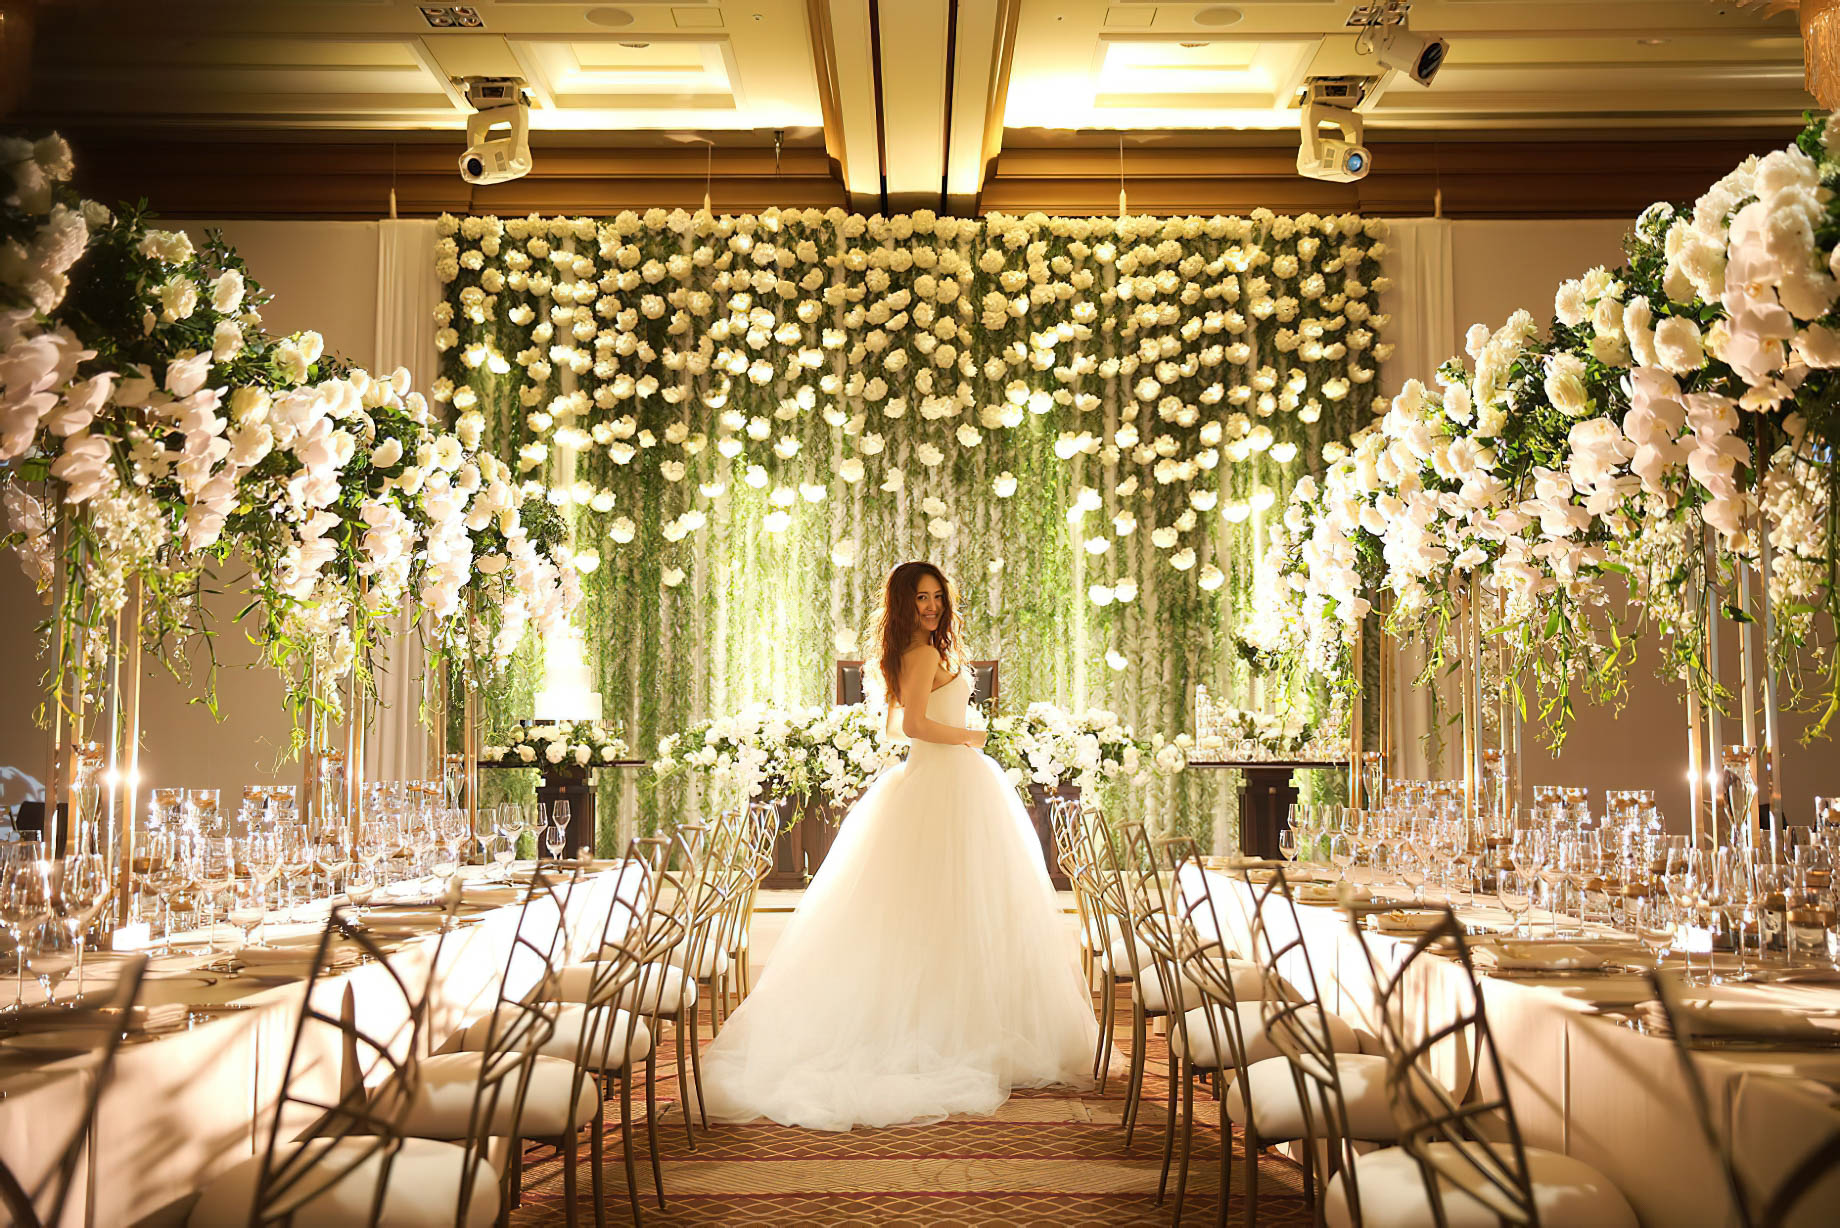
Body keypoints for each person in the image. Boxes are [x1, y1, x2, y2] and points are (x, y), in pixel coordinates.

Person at [696, 560, 1098, 1131]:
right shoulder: (924, 654)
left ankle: (945, 1024)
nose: (931, 606)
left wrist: (954, 735)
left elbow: (892, 726)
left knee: (939, 912)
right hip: (946, 781)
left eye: (937, 597)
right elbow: (911, 727)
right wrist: (970, 735)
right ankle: (951, 1030)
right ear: (904, 604)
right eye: (921, 598)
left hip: (940, 780)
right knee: (954, 909)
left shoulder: (914, 652)